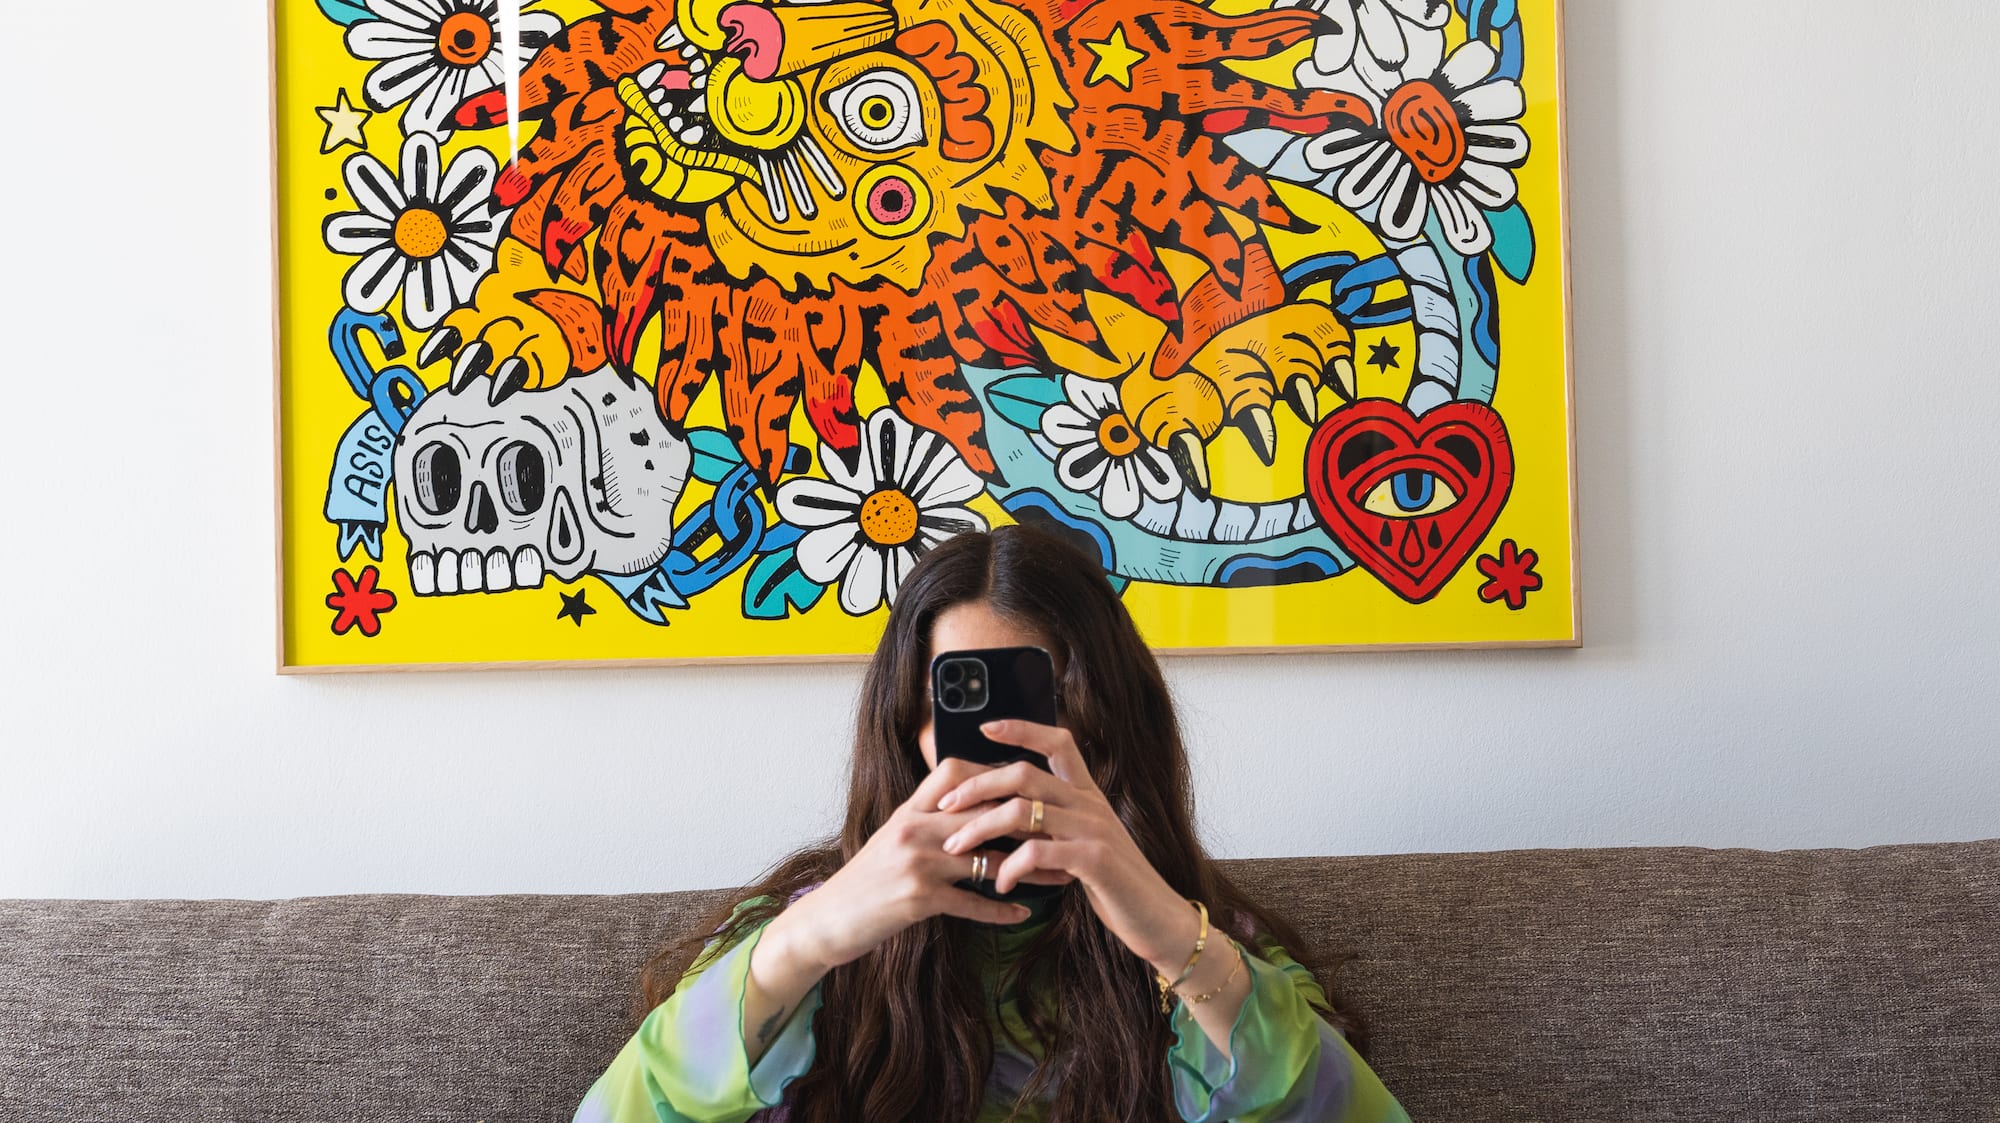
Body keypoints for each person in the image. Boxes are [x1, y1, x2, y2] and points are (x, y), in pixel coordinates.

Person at [575, 525, 1412, 1122]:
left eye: (1039, 702)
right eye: (955, 702)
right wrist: (810, 936)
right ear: (905, 726)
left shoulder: (1210, 947)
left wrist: (1167, 932)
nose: (997, 749)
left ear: (1105, 723)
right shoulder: (800, 936)